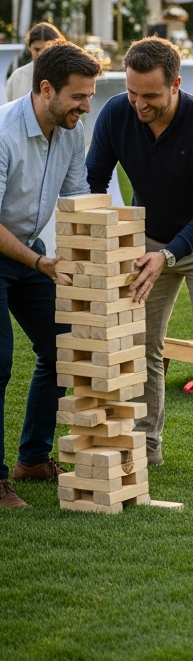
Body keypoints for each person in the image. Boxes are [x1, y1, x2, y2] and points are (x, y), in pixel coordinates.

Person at [86, 37, 193, 489]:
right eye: (133, 92)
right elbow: (93, 179)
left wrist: (168, 254)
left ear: (176, 84)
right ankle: (145, 444)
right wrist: (95, 240)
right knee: (142, 344)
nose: (139, 104)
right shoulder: (117, 113)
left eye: (151, 96)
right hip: (149, 238)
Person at [0, 42, 101, 508]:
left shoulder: (71, 132)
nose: (86, 105)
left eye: (90, 95)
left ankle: (33, 459)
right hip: (15, 251)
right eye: (79, 96)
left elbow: (78, 200)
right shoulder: (3, 130)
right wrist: (41, 262)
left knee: (65, 347)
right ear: (46, 89)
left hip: (31, 254)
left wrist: (103, 260)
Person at [6, 22, 64, 102]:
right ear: (30, 47)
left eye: (46, 49)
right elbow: (6, 109)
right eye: (37, 49)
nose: (41, 54)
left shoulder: (65, 76)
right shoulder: (18, 76)